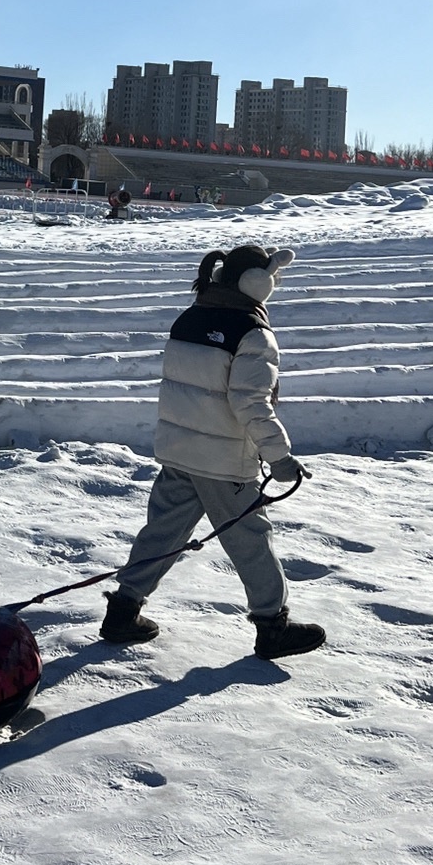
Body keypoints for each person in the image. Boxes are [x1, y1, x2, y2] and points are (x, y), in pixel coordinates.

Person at [100, 242, 325, 661]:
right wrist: (278, 457)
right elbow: (251, 403)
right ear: (257, 284)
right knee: (252, 542)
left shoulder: (190, 317)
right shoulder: (252, 333)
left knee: (162, 533)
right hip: (223, 463)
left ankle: (123, 611)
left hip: (179, 450)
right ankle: (272, 626)